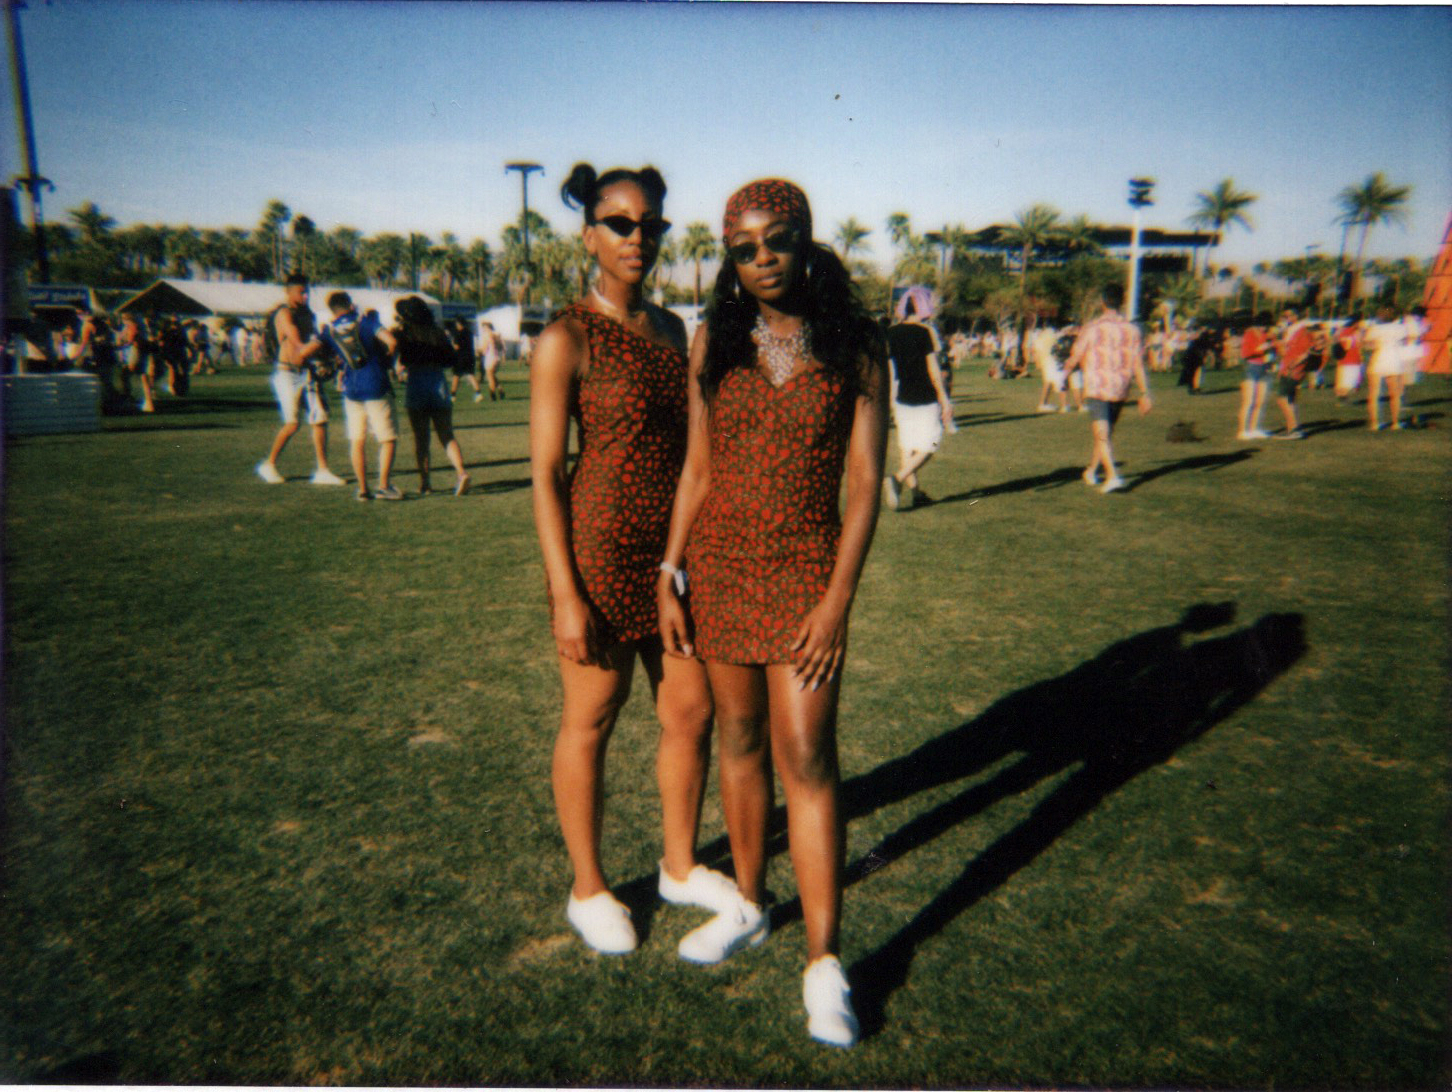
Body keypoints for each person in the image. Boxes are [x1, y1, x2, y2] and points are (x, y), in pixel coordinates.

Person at [658, 178, 887, 1048]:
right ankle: (750, 905)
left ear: (805, 239)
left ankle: (825, 963)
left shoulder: (856, 341)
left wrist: (837, 603)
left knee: (808, 758)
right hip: (718, 567)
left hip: (804, 575)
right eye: (743, 248)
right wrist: (670, 570)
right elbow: (697, 468)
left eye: (777, 240)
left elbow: (864, 484)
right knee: (740, 742)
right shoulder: (713, 337)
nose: (762, 259)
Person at [529, 162, 735, 958]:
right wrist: (565, 592)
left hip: (672, 554)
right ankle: (588, 887)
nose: (637, 237)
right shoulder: (566, 338)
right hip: (601, 548)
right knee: (592, 717)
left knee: (690, 710)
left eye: (650, 224)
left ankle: (679, 866)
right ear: (589, 236)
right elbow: (547, 473)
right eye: (619, 223)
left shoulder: (674, 332)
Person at [255, 272, 346, 486]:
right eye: (301, 292)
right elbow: (298, 344)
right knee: (292, 423)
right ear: (289, 292)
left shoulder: (308, 314)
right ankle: (269, 464)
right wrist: (323, 344)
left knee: (320, 419)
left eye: (307, 292)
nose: (305, 296)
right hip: (287, 373)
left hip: (307, 372)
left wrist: (327, 355)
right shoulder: (284, 314)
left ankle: (322, 470)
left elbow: (311, 344)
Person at [1064, 282, 1152, 493]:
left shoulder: (1092, 328)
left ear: (1103, 301)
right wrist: (1145, 393)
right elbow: (1138, 364)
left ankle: (1110, 475)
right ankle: (1094, 472)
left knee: (1102, 433)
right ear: (1122, 301)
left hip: (1096, 386)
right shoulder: (1133, 330)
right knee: (1104, 433)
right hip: (1120, 388)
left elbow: (1076, 355)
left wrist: (1064, 374)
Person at [321, 291, 402, 501]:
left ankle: (363, 489)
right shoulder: (365, 322)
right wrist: (387, 360)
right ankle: (383, 486)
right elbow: (391, 341)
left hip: (351, 389)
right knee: (388, 438)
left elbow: (311, 350)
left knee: (357, 440)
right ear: (350, 305)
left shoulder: (330, 330)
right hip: (375, 384)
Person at [882, 286, 952, 511]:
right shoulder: (925, 332)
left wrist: (891, 400)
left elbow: (892, 371)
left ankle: (916, 494)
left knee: (907, 448)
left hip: (902, 398)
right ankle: (897, 479)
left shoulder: (891, 333)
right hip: (925, 397)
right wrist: (945, 399)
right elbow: (933, 370)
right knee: (931, 444)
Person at [393, 297, 470, 496]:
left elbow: (401, 358)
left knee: (421, 438)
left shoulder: (406, 334)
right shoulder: (438, 332)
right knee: (447, 434)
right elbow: (451, 360)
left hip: (416, 383)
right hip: (438, 382)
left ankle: (425, 482)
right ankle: (461, 472)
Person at [1363, 303, 1407, 431]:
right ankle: (1396, 422)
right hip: (1394, 359)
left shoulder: (1374, 329)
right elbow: (1403, 343)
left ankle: (1375, 423)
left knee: (1374, 393)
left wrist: (1374, 345)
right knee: (1395, 394)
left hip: (1378, 359)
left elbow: (1366, 345)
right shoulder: (1401, 328)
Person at [1271, 308, 1313, 439]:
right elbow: (1285, 351)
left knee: (1283, 399)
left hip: (1293, 370)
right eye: (1284, 316)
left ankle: (1294, 429)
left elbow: (1307, 353)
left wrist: (1293, 365)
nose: (1285, 318)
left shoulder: (1303, 331)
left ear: (1296, 316)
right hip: (1288, 368)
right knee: (1290, 399)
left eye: (1288, 316)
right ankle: (1293, 429)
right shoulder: (1291, 331)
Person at [1235, 311, 1275, 440]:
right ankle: (1243, 430)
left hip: (1265, 367)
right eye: (1263, 325)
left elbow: (1271, 350)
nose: (1265, 328)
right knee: (1249, 401)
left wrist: (1272, 349)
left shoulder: (1268, 334)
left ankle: (1255, 428)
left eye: (1267, 325)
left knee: (1261, 401)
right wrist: (1261, 348)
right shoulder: (1250, 333)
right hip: (1252, 368)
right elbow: (1245, 353)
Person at [1030, 321, 1069, 412]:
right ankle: (1064, 405)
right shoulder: (1054, 335)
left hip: (1045, 362)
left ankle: (1043, 403)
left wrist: (1038, 362)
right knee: (1060, 381)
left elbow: (1035, 350)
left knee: (1048, 383)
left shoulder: (1041, 336)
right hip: (1054, 361)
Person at [447, 318, 484, 402]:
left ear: (459, 324)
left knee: (456, 376)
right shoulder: (469, 333)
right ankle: (478, 393)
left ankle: (453, 395)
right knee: (471, 375)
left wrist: (452, 344)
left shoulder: (458, 334)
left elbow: (457, 347)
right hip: (470, 356)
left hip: (460, 357)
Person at [1333, 315, 1365, 399]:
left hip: (1342, 360)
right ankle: (1342, 397)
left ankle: (1341, 398)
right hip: (1353, 360)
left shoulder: (1341, 332)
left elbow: (1336, 344)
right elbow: (1359, 345)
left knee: (1342, 383)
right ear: (1355, 323)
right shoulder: (1355, 332)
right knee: (1351, 385)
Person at [480, 320, 504, 400]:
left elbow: (484, 349)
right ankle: (500, 389)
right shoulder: (496, 335)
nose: (483, 329)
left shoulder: (487, 335)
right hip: (497, 357)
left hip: (490, 357)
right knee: (492, 375)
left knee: (490, 376)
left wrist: (480, 351)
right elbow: (501, 347)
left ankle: (493, 394)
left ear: (487, 327)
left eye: (484, 327)